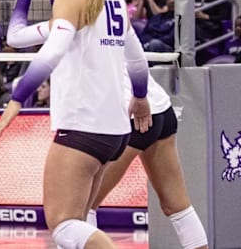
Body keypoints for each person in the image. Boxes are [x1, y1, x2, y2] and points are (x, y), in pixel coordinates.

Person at [0, 0, 152, 249]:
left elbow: (52, 52)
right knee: (79, 223)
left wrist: (18, 97)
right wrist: (140, 98)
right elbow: (137, 61)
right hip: (114, 131)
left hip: (83, 127)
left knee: (64, 226)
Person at [87, 74, 209, 249]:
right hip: (161, 109)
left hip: (130, 115)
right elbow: (137, 62)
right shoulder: (127, 46)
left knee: (80, 209)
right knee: (177, 206)